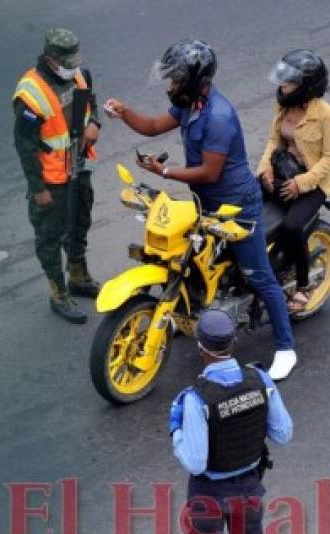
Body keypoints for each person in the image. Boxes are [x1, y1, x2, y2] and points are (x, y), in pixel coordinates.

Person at [104, 39, 299, 381]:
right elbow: (151, 126)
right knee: (188, 256)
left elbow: (210, 172)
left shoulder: (218, 117)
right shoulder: (189, 105)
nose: (171, 85)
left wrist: (164, 171)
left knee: (260, 276)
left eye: (176, 79)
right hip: (204, 201)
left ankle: (285, 348)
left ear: (193, 80)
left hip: (236, 206)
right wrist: (124, 112)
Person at [168, 309, 293, 534]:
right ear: (233, 342)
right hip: (249, 490)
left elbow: (194, 461)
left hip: (208, 497)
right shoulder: (260, 381)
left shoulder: (196, 399)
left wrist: (175, 428)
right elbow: (283, 433)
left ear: (201, 348)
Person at [13, 28, 102, 324]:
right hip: (52, 180)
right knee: (50, 237)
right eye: (68, 61)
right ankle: (59, 294)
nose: (74, 66)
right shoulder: (30, 95)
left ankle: (78, 276)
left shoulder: (79, 75)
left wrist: (95, 125)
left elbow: (91, 104)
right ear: (52, 60)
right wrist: (38, 189)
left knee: (80, 223)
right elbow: (25, 146)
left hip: (78, 169)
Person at [256, 49, 330, 313]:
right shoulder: (283, 107)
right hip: (283, 172)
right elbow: (275, 141)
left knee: (292, 226)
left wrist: (300, 183)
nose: (283, 86)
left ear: (306, 86)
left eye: (290, 82)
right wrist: (264, 170)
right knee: (242, 210)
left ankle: (302, 285)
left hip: (312, 184)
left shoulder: (327, 116)